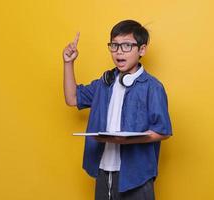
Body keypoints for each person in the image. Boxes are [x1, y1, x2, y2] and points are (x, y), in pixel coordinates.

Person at [63, 20, 172, 200]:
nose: (119, 51)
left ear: (142, 50)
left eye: (127, 45)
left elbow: (163, 131)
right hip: (103, 171)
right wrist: (68, 63)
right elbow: (72, 98)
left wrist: (126, 141)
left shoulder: (152, 87)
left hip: (136, 176)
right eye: (114, 45)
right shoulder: (104, 83)